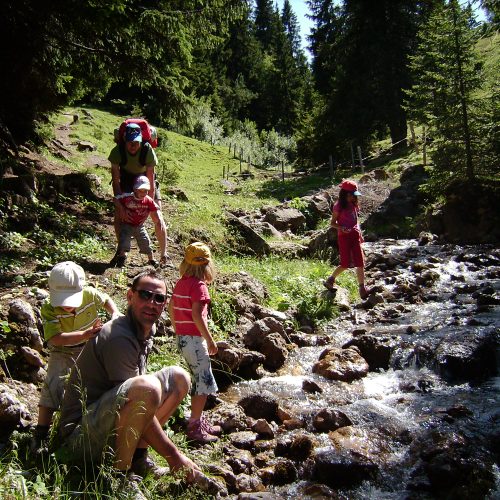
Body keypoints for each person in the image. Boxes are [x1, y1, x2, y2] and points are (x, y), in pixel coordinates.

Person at [58, 269, 207, 494]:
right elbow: (139, 398)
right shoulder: (118, 337)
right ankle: (119, 477)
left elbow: (137, 404)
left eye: (159, 298)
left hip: (109, 421)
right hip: (77, 439)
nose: (152, 303)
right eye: (145, 295)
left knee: (179, 378)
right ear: (130, 297)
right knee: (146, 388)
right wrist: (174, 457)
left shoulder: (146, 327)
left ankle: (137, 457)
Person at [33, 261, 120, 451]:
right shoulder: (49, 308)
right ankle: (41, 433)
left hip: (89, 347)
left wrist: (114, 314)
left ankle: (83, 425)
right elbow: (55, 338)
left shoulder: (89, 294)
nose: (67, 306)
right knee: (53, 383)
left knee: (89, 383)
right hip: (63, 351)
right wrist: (84, 334)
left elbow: (105, 300)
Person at [168, 242, 221, 444]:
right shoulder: (199, 286)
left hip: (183, 338)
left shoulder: (182, 282)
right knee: (203, 380)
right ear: (207, 265)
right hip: (195, 340)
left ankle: (197, 420)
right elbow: (197, 315)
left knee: (199, 378)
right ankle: (195, 427)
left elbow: (172, 306)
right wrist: (210, 339)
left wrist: (177, 329)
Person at [109, 123, 163, 264]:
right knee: (118, 216)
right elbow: (116, 181)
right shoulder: (117, 151)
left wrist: (147, 204)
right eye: (130, 142)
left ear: (140, 140)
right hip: (126, 180)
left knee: (158, 215)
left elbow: (151, 179)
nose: (133, 145)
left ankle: (164, 255)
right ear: (125, 140)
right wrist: (120, 205)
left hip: (145, 180)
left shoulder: (147, 150)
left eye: (136, 142)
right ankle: (121, 252)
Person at [323, 180, 370, 299]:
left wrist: (360, 234)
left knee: (360, 262)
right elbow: (332, 223)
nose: (354, 198)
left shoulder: (354, 204)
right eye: (352, 195)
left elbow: (356, 220)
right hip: (344, 237)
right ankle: (331, 279)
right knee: (345, 263)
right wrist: (342, 227)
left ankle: (362, 288)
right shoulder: (338, 206)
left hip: (355, 236)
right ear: (345, 194)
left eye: (355, 196)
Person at [114, 175, 168, 268]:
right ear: (135, 189)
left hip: (140, 226)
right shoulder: (127, 197)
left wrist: (158, 219)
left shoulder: (148, 200)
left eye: (146, 190)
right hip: (127, 224)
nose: (143, 193)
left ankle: (151, 259)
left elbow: (156, 209)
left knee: (145, 242)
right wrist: (121, 208)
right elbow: (115, 199)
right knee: (124, 241)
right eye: (140, 190)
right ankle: (122, 257)